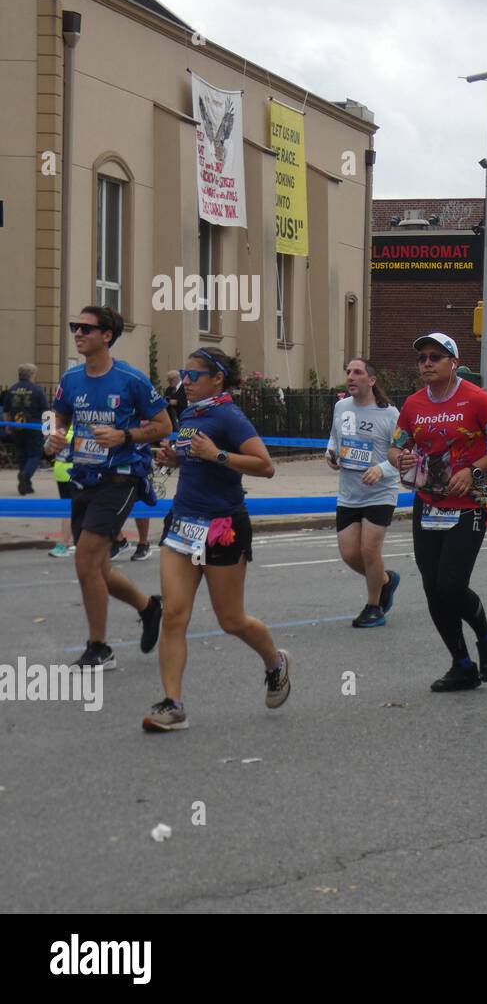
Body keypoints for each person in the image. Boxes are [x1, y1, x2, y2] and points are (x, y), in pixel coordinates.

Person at [142, 349, 289, 731]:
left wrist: (217, 454)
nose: (185, 382)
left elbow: (266, 466)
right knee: (174, 615)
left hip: (223, 526)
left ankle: (275, 662)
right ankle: (172, 704)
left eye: (194, 375)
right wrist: (177, 458)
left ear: (217, 378)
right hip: (182, 523)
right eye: (184, 376)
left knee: (231, 620)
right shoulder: (191, 412)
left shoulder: (228, 415)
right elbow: (198, 457)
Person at [390, 332, 487, 693]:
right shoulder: (414, 404)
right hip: (428, 504)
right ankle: (461, 664)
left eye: (435, 357)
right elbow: (396, 447)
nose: (427, 363)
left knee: (451, 585)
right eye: (422, 358)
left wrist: (474, 470)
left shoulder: (477, 400)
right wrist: (399, 458)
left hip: (469, 505)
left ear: (453, 362)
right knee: (433, 591)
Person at [46, 306, 169, 670]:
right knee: (97, 568)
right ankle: (149, 607)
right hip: (85, 475)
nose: (78, 333)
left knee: (85, 559)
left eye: (86, 328)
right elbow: (61, 415)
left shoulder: (131, 379)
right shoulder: (70, 380)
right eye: (75, 327)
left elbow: (163, 424)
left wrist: (125, 435)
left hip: (123, 476)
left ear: (107, 336)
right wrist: (54, 437)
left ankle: (99, 648)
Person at [327, 357, 401, 628]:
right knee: (350, 554)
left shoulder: (390, 414)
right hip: (349, 493)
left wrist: (381, 469)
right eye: (347, 371)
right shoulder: (341, 407)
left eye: (357, 372)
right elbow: (335, 438)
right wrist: (330, 454)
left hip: (380, 492)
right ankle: (385, 580)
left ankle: (374, 606)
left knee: (369, 550)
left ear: (371, 380)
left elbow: (403, 453)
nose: (350, 376)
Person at [4, 363, 49, 495]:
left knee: (22, 455)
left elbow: (6, 411)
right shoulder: (37, 390)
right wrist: (48, 429)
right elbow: (46, 411)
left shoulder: (11, 389)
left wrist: (8, 425)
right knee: (35, 455)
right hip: (33, 427)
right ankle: (25, 475)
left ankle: (26, 485)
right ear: (32, 375)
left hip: (17, 427)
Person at [48, 424, 74, 557]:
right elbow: (47, 450)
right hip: (60, 475)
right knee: (72, 510)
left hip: (74, 475)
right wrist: (51, 440)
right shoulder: (61, 426)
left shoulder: (81, 426)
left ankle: (64, 544)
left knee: (69, 511)